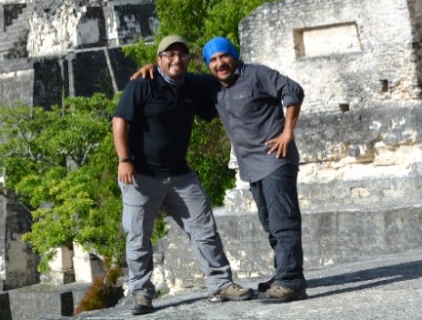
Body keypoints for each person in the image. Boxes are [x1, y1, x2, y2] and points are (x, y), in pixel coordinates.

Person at [132, 36, 308, 303]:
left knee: (284, 222)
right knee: (271, 223)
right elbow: (175, 72)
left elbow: (293, 91)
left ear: (233, 56)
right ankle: (283, 273)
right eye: (212, 60)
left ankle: (291, 281)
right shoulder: (210, 84)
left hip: (276, 159)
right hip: (251, 165)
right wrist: (151, 67)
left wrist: (287, 132)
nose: (220, 63)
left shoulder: (257, 74)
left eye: (224, 56)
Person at [114, 35, 253, 315]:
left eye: (182, 54)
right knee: (138, 236)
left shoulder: (192, 85)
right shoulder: (142, 84)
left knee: (204, 229)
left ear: (189, 59)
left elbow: (222, 88)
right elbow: (119, 122)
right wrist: (124, 160)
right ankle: (141, 293)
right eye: (170, 55)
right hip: (140, 175)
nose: (176, 60)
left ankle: (221, 283)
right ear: (159, 60)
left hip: (179, 174)